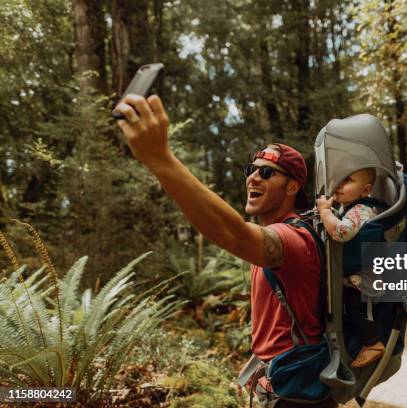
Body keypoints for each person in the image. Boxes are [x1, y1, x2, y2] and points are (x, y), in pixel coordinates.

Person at [114, 94, 336, 408]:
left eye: (267, 173)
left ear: (292, 187)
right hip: (280, 388)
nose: (253, 177)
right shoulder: (271, 242)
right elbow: (280, 325)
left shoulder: (292, 241)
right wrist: (253, 368)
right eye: (251, 169)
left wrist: (161, 159)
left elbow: (232, 234)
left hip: (298, 398)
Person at [315, 168, 385, 368]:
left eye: (347, 180)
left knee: (356, 307)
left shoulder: (359, 210)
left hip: (364, 279)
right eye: (338, 178)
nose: (339, 184)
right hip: (357, 275)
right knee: (350, 306)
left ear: (366, 190)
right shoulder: (350, 209)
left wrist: (325, 212)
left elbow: (341, 232)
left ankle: (373, 343)